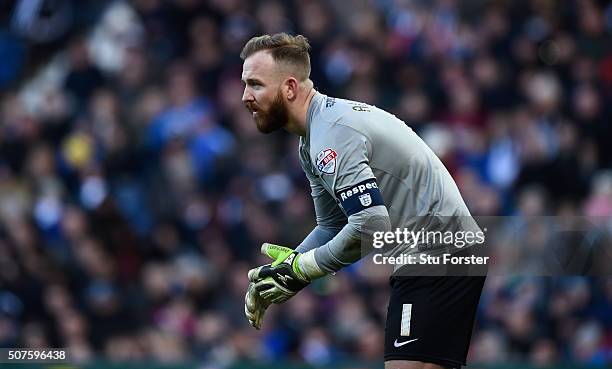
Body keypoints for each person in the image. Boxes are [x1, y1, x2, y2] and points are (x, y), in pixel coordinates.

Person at [241, 33, 486, 369]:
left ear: (289, 88)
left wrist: (304, 268)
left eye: (255, 85)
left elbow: (370, 225)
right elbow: (333, 225)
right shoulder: (313, 138)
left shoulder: (332, 134)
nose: (245, 97)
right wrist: (289, 269)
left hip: (436, 252)